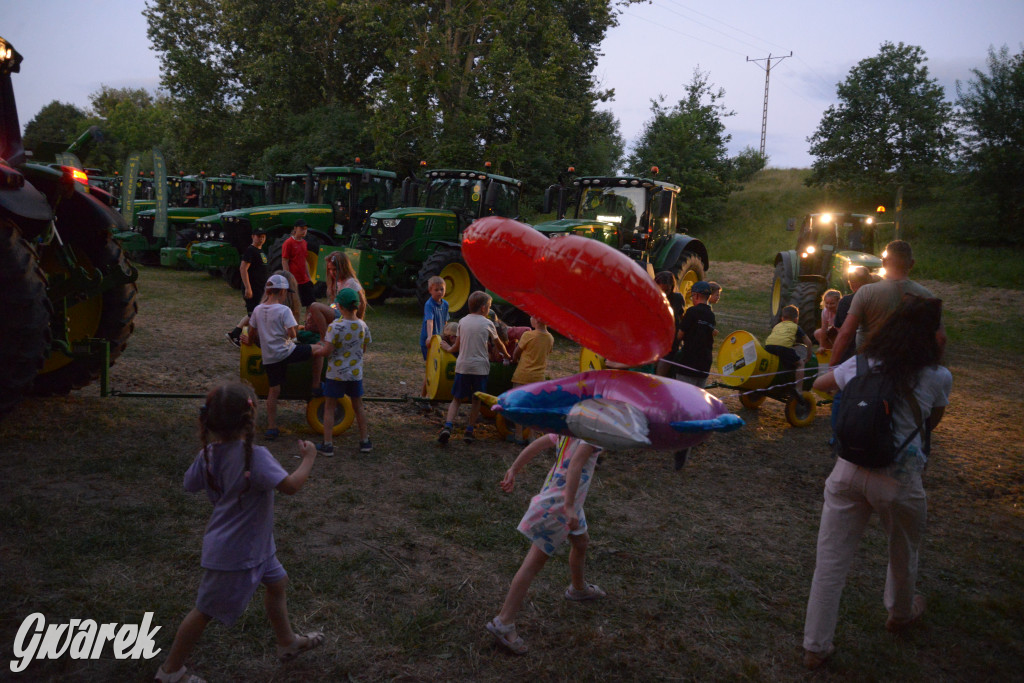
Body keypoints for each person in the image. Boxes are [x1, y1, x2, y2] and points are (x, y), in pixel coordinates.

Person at [802, 296, 951, 670]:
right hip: (899, 481)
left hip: (848, 470)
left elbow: (821, 383)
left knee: (830, 563)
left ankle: (815, 646)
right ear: (932, 334)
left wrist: (854, 386)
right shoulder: (937, 376)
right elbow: (930, 422)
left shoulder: (863, 363)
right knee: (903, 552)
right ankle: (900, 614)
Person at [154, 382, 324, 683]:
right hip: (237, 552)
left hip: (255, 544)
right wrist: (309, 458)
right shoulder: (255, 457)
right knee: (204, 611)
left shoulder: (208, 454)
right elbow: (291, 487)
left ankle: (286, 641)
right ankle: (170, 672)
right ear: (251, 415)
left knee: (277, 582)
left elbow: (188, 484)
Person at [485, 433, 605, 655]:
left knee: (581, 542)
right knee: (533, 563)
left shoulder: (569, 424)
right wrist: (568, 506)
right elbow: (576, 464)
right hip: (560, 505)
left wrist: (514, 468)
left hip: (567, 500)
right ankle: (504, 622)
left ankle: (578, 589)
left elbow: (539, 444)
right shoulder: (592, 430)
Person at [829, 240, 944, 368]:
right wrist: (931, 367)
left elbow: (846, 333)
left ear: (883, 263)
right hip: (908, 368)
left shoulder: (866, 292)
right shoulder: (927, 296)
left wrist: (832, 364)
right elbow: (940, 338)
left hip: (868, 366)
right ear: (911, 264)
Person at [242, 274, 329, 439]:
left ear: (268, 291)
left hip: (270, 357)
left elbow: (252, 334)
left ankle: (271, 427)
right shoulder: (284, 310)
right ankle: (316, 386)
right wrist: (292, 330)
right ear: (282, 292)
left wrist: (248, 341)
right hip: (287, 351)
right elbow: (292, 333)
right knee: (318, 348)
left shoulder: (258, 310)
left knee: (273, 391)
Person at [438, 291, 509, 444]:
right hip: (480, 369)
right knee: (476, 400)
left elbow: (457, 345)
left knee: (456, 399)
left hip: (463, 366)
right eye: (489, 306)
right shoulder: (488, 323)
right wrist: (507, 355)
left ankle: (448, 425)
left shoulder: (462, 321)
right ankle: (469, 430)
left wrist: (448, 349)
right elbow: (499, 344)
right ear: (483, 308)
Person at [317, 288, 372, 455]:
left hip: (336, 374)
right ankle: (365, 441)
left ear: (339, 306)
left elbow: (327, 351)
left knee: (329, 407)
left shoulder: (335, 327)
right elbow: (363, 349)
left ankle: (328, 444)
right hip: (355, 374)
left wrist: (316, 350)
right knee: (358, 406)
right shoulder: (362, 325)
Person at [671, 280, 717, 470]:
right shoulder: (711, 315)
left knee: (683, 403)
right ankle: (697, 436)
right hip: (704, 363)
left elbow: (680, 336)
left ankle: (681, 445)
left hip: (688, 362)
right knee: (699, 402)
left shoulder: (691, 312)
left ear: (696, 296)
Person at [508, 315, 555, 445]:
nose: (530, 319)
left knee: (517, 404)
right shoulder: (550, 338)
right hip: (538, 377)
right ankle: (531, 436)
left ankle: (518, 435)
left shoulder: (528, 335)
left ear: (537, 320)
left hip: (523, 375)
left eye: (532, 317)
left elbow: (516, 352)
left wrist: (514, 359)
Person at [226, 228, 269, 347]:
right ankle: (242, 336)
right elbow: (243, 268)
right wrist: (248, 288)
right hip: (253, 289)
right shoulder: (250, 251)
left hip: (261, 289)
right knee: (254, 315)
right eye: (258, 236)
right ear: (253, 237)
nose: (261, 239)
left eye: (263, 236)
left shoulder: (261, 251)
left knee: (254, 314)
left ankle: (235, 334)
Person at [306, 250, 366, 336]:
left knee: (314, 306)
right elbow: (334, 304)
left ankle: (325, 337)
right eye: (329, 269)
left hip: (345, 315)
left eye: (335, 269)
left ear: (343, 268)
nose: (332, 272)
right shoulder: (336, 282)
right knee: (311, 321)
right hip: (337, 313)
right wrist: (328, 309)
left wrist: (359, 324)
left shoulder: (351, 283)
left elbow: (362, 304)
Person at [764, 304, 811, 386]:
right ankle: (798, 389)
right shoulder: (795, 326)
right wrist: (808, 357)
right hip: (783, 348)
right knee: (800, 364)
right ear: (796, 320)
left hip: (768, 346)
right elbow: (808, 342)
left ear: (782, 318)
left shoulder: (777, 326)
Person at [420, 276, 450, 400]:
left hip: (439, 339)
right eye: (436, 290)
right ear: (430, 291)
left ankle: (434, 394)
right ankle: (423, 397)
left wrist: (446, 336)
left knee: (438, 368)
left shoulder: (446, 304)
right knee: (430, 368)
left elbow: (445, 322)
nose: (439, 292)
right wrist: (429, 337)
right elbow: (430, 321)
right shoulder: (429, 304)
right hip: (429, 340)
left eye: (442, 289)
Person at [653, 271, 685, 378]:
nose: (664, 293)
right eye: (660, 290)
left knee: (660, 376)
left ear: (672, 287)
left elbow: (681, 320)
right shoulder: (652, 298)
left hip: (671, 345)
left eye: (667, 290)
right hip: (655, 343)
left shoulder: (677, 299)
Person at [281, 220, 316, 312]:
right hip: (294, 280)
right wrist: (288, 278)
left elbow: (304, 261)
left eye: (305, 229)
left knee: (311, 303)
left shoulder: (304, 243)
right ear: (295, 229)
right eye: (302, 229)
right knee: (294, 304)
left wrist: (309, 277)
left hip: (304, 279)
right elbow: (284, 261)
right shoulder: (288, 243)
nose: (304, 231)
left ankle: (307, 322)